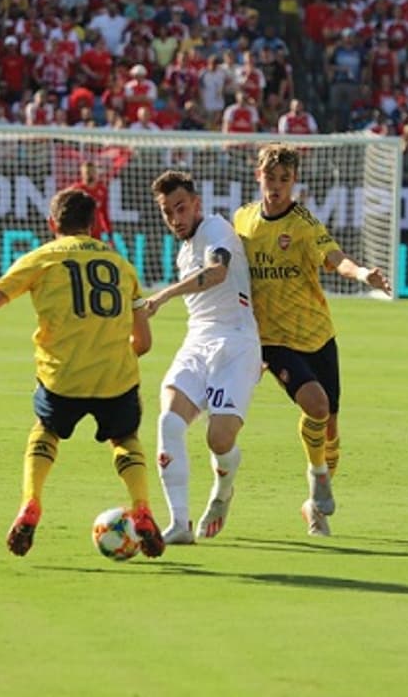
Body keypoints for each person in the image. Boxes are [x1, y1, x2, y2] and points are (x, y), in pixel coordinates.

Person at [0, 187, 165, 559]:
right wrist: (111, 354)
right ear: (93, 224)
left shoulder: (41, 259)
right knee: (125, 437)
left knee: (47, 431)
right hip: (116, 378)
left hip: (62, 377)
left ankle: (30, 503)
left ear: (52, 223)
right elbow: (144, 342)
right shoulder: (121, 264)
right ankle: (143, 507)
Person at [233, 143, 393, 536]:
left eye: (284, 180)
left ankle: (313, 507)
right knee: (316, 404)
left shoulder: (303, 224)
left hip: (318, 333)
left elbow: (337, 259)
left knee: (331, 426)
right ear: (259, 177)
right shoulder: (242, 221)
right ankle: (317, 475)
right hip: (273, 339)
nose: (276, 186)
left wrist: (362, 275)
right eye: (270, 178)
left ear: (294, 182)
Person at [140, 170, 261, 544]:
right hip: (197, 341)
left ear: (196, 204)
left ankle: (224, 487)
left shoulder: (215, 229)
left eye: (180, 208)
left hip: (236, 341)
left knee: (219, 440)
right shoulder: (182, 252)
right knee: (169, 422)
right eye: (167, 212)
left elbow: (218, 271)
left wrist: (163, 295)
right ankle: (178, 524)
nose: (175, 218)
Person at [69, 161, 112, 241]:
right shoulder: (76, 190)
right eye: (87, 172)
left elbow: (104, 212)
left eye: (92, 172)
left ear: (96, 173)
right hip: (80, 230)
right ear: (82, 174)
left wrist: (108, 230)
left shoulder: (102, 190)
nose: (90, 175)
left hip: (96, 230)